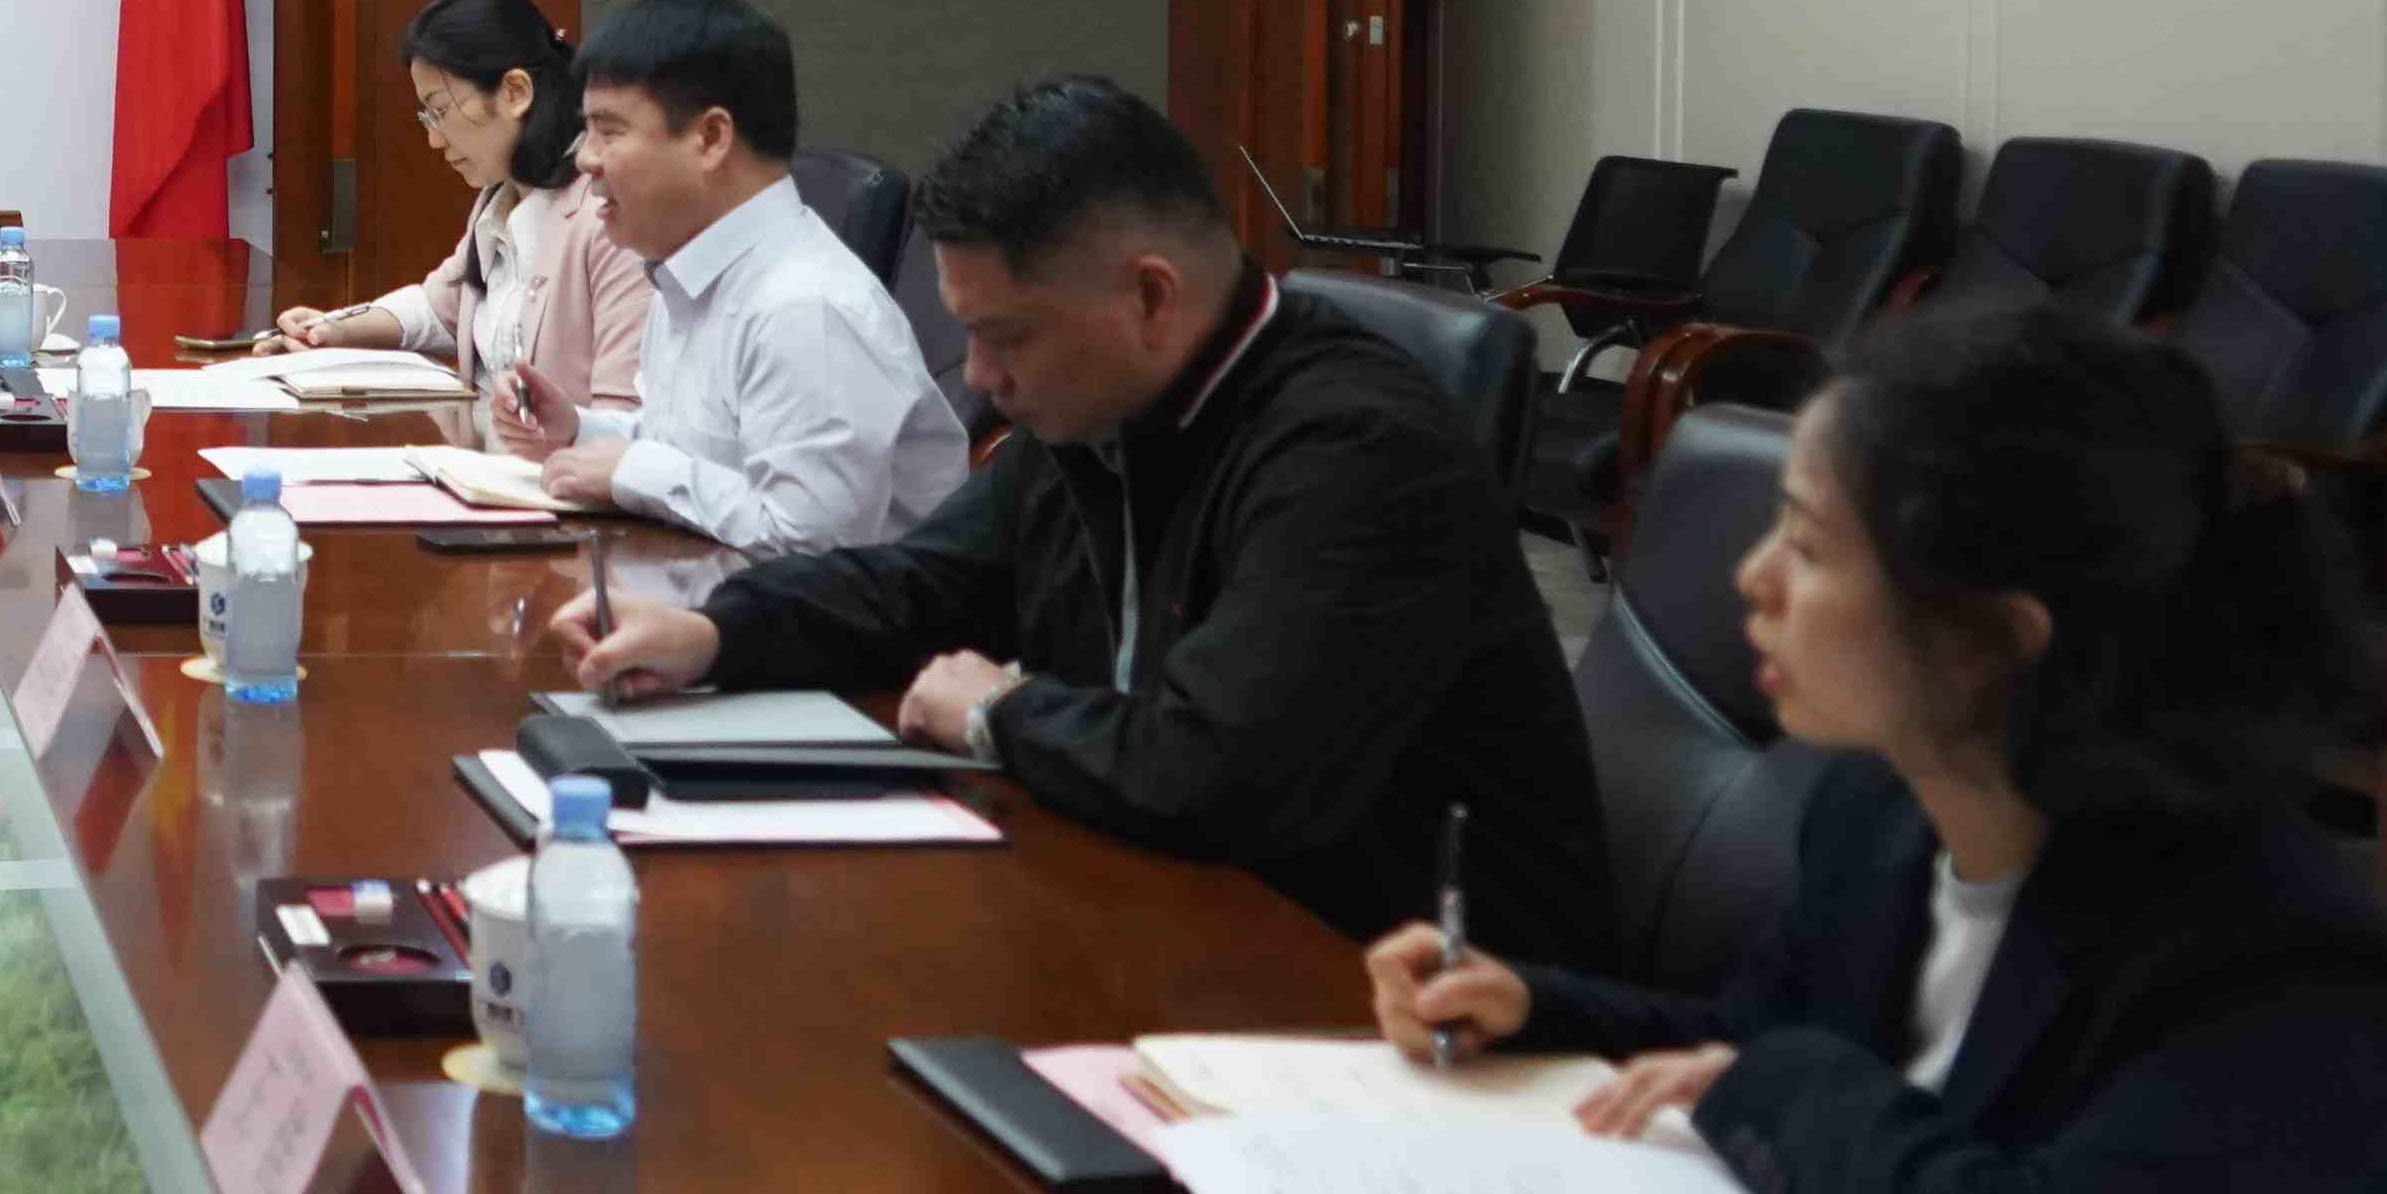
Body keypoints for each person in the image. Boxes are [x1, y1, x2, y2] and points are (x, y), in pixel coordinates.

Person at [1365, 301, 2387, 1194]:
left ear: (1995, 641)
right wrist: (1534, 1005)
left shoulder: (2274, 958)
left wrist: (1774, 1079)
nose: (1751, 581)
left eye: (1808, 546)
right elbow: (1751, 1043)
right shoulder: (1882, 808)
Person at [551, 73, 1612, 966]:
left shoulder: (1355, 450)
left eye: (1007, 336)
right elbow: (926, 583)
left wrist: (1000, 712)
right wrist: (717, 631)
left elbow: (1213, 771)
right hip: (1176, 912)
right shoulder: (1104, 401)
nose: (980, 376)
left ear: (1149, 298)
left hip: (1406, 996)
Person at [478, 0, 959, 551]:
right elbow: (695, 448)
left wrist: (634, 471)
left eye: (608, 132)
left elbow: (812, 542)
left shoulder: (809, 308)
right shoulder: (687, 275)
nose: (584, 159)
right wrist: (579, 430)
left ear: (710, 138)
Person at [271, 0, 645, 411]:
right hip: (483, 448)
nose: (434, 138)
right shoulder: (501, 198)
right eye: (426, 117)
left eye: (441, 110)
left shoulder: (611, 216)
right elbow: (439, 306)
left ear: (515, 92)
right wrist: (333, 329)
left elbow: (623, 415)